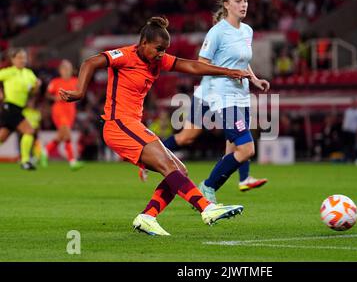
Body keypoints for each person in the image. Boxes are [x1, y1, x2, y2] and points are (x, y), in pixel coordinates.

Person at [59, 16, 250, 236]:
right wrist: (80, 92)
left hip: (132, 125)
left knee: (179, 170)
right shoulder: (125, 55)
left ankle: (147, 217)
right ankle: (206, 209)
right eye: (158, 49)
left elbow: (191, 66)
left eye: (165, 50)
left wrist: (228, 72)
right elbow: (90, 62)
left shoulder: (157, 60)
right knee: (170, 168)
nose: (161, 54)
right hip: (118, 124)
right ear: (143, 44)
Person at [161, 0, 270, 197]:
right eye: (238, 1)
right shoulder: (217, 32)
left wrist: (255, 79)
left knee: (234, 149)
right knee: (245, 149)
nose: (244, 4)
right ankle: (207, 186)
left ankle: (218, 188)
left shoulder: (247, 30)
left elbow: (241, 61)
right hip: (221, 96)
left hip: (242, 96)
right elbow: (201, 64)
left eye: (246, 0)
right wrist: (229, 73)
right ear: (227, 4)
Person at [0, 48, 41, 170]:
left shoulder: (29, 74)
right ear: (13, 59)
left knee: (2, 137)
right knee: (29, 131)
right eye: (19, 57)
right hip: (9, 106)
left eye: (24, 57)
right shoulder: (8, 72)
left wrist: (37, 87)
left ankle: (25, 161)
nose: (22, 60)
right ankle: (25, 161)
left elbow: (33, 93)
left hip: (19, 108)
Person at [41, 59, 83, 170]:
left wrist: (75, 98)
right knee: (67, 134)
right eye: (64, 68)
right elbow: (47, 95)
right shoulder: (55, 82)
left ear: (71, 70)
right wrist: (55, 97)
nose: (66, 71)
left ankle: (45, 152)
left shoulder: (76, 81)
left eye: (68, 68)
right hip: (59, 110)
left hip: (71, 111)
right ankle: (72, 161)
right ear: (60, 70)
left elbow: (80, 95)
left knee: (62, 135)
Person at [341, 98, 357, 163]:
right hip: (345, 130)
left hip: (353, 131)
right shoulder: (347, 111)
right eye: (352, 103)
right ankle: (346, 158)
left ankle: (354, 158)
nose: (353, 104)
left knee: (353, 146)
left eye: (354, 103)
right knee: (345, 145)